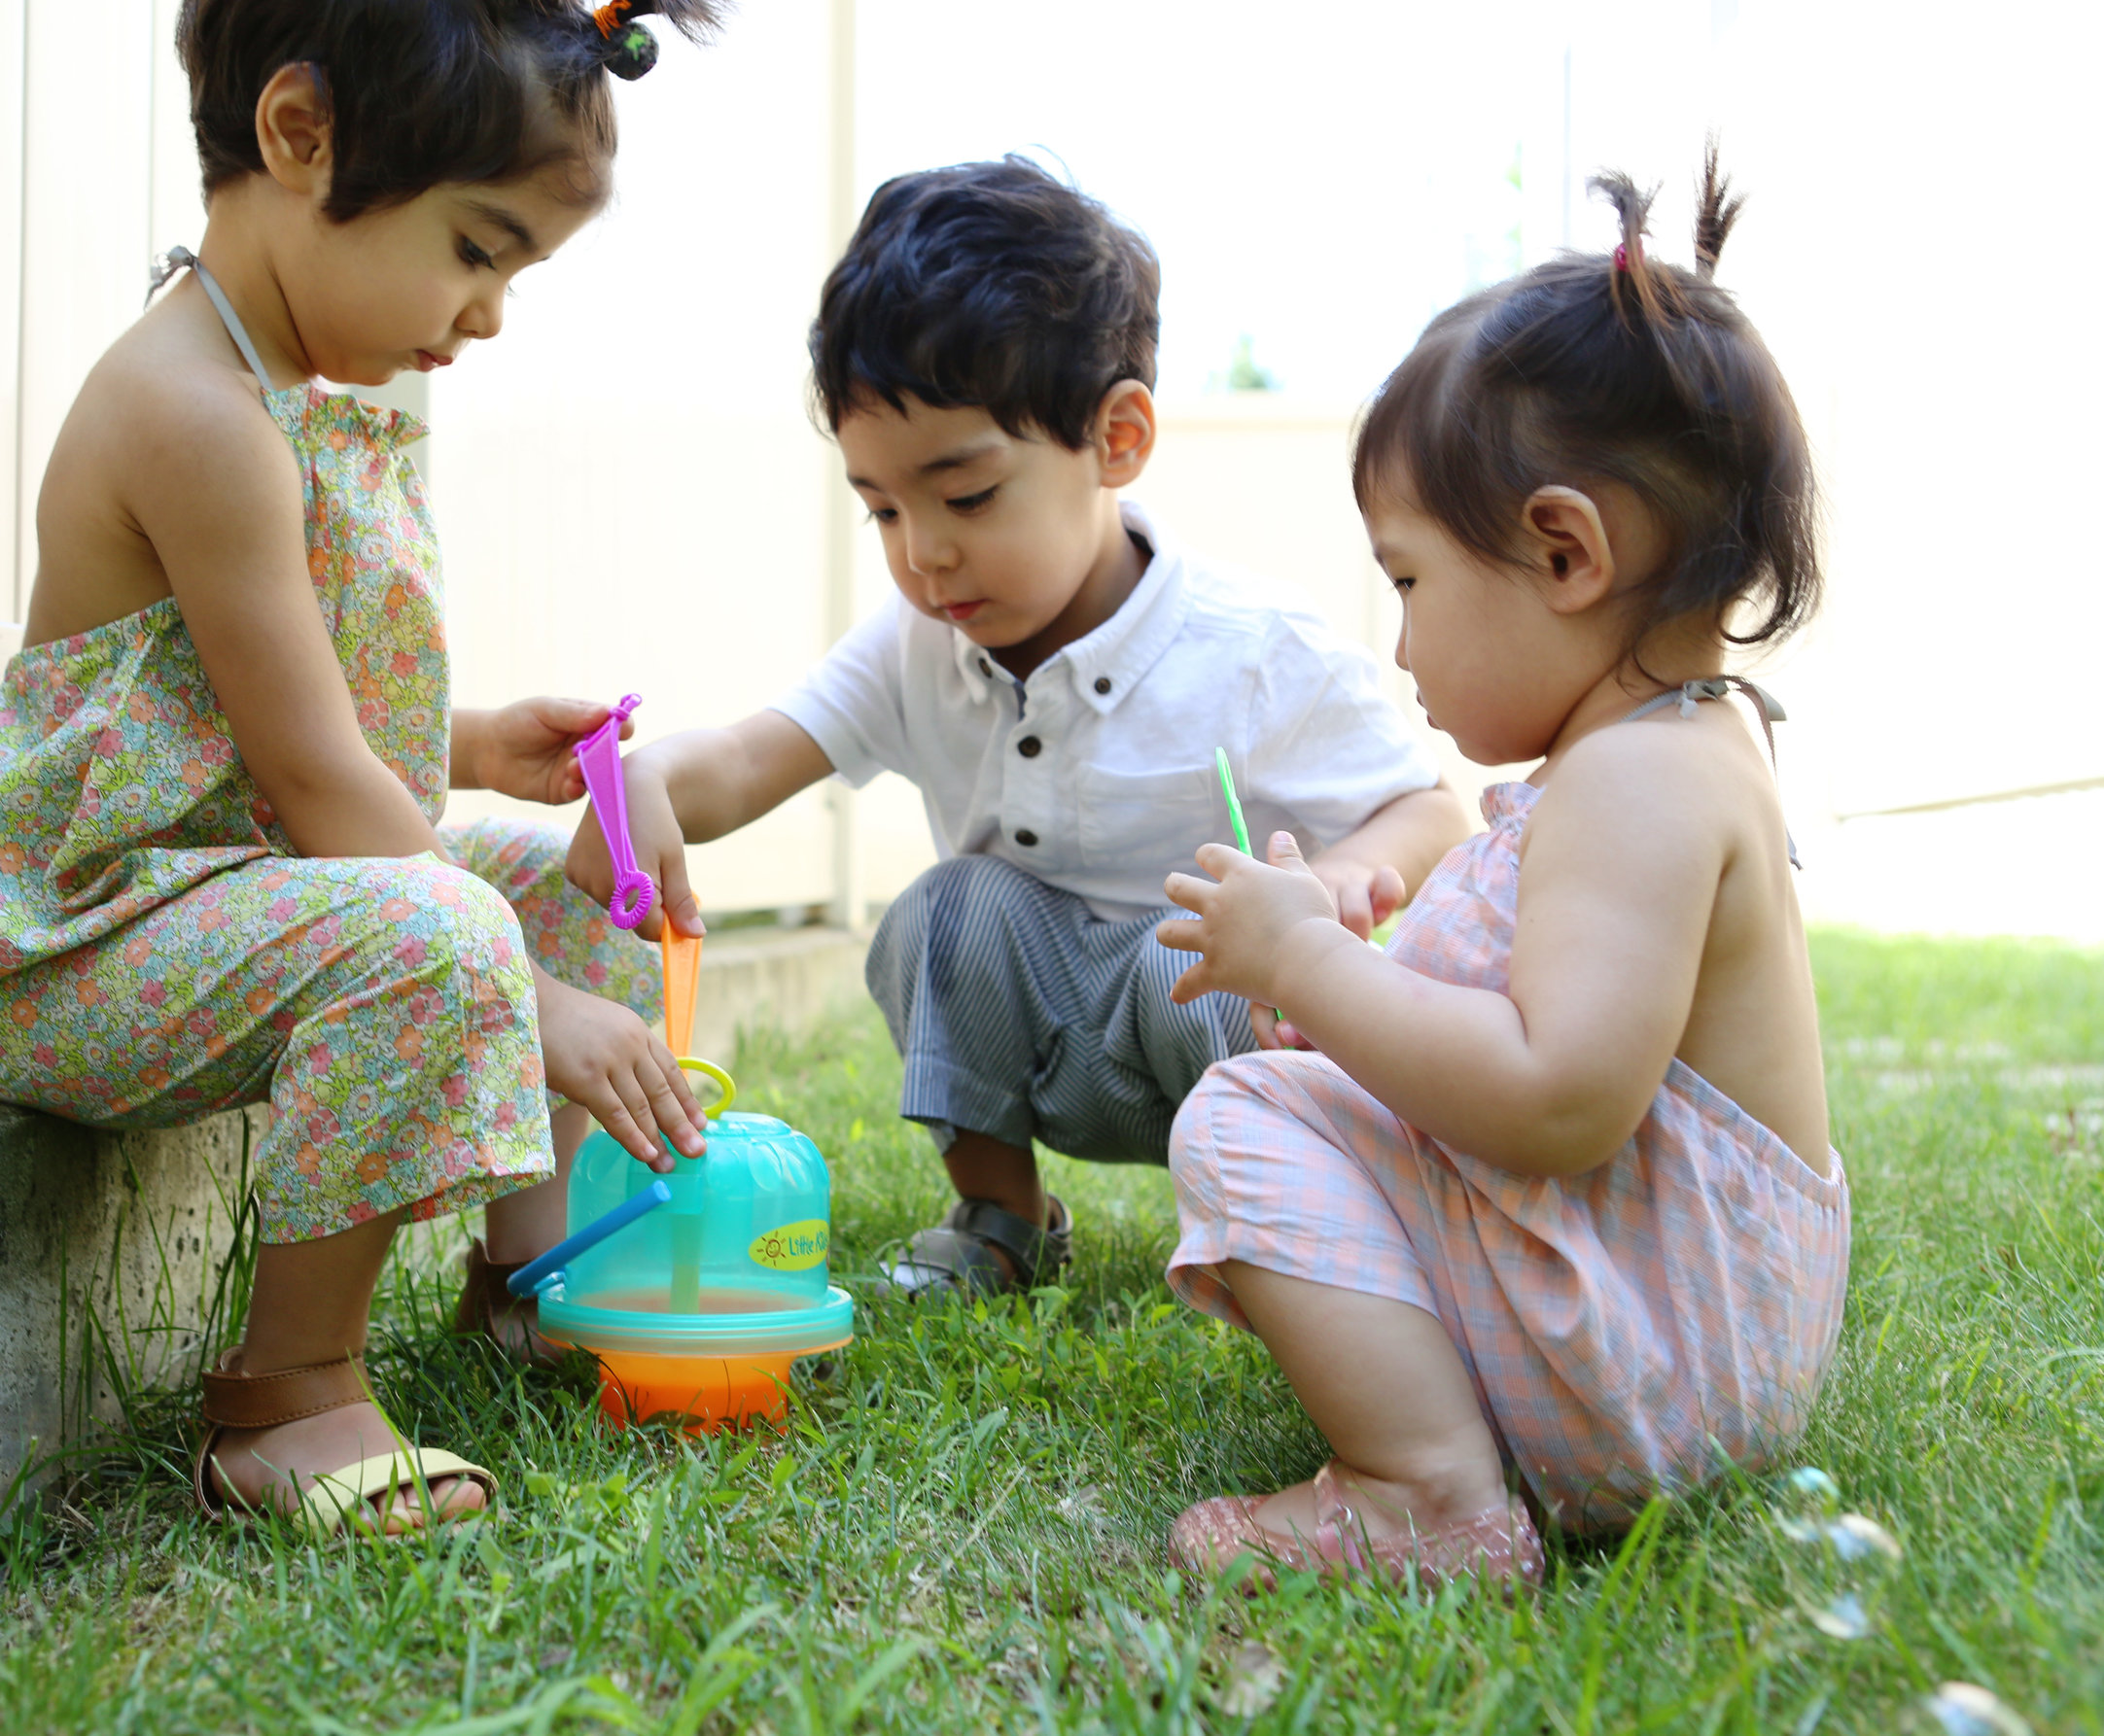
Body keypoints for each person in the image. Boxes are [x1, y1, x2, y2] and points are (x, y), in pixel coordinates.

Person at [0, 0, 723, 1537]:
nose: (487, 312)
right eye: (477, 249)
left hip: (217, 884)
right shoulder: (195, 413)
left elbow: (253, 713)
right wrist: (518, 989)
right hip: (79, 945)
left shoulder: (281, 390)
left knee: (554, 893)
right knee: (447, 927)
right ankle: (287, 1393)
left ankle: (523, 1280)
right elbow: (306, 774)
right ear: (301, 136)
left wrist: (483, 746)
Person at [567, 156, 1466, 1297]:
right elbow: (751, 754)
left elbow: (1434, 807)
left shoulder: (1248, 649)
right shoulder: (916, 642)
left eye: (968, 496)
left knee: (1236, 953)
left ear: (1118, 439)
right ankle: (1000, 1214)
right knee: (947, 910)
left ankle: (1279, 1228)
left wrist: (1341, 878)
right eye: (882, 508)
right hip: (1038, 1016)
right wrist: (640, 783)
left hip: (1206, 1009)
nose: (923, 552)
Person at [1155, 156, 1847, 1592]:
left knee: (1240, 1112)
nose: (1400, 646)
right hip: (1671, 1325)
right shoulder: (1673, 746)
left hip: (1652, 1367)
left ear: (1562, 550)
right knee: (1309, 1087)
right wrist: (1353, 999)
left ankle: (1428, 1495)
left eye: (1408, 582)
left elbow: (1555, 1102)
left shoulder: (1642, 781)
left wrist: (1306, 968)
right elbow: (1567, 1056)